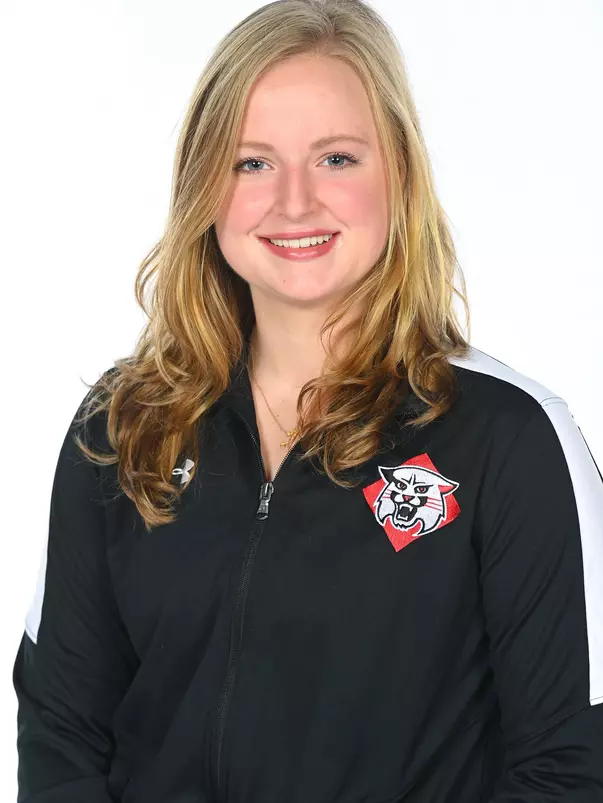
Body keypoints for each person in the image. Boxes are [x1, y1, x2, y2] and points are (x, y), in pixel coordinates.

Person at [12, 0, 603, 801]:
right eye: (251, 163)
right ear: (204, 186)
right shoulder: (124, 426)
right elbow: (62, 733)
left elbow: (570, 765)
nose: (294, 202)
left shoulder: (509, 437)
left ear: (399, 172)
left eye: (335, 158)